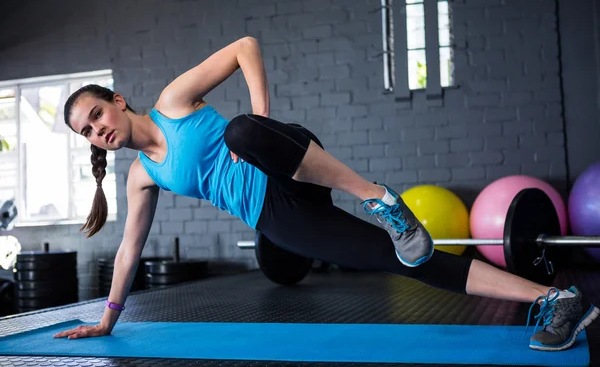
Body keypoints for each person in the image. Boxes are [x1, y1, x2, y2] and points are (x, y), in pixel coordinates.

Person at [53, 36, 598, 351]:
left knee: (242, 130)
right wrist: (108, 318)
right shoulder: (141, 177)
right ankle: (556, 301)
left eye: (97, 114)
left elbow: (245, 46)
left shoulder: (173, 100)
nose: (97, 130)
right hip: (278, 213)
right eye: (87, 131)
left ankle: (377, 197)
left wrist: (261, 117)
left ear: (119, 102)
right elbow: (129, 250)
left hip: (287, 156)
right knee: (407, 260)